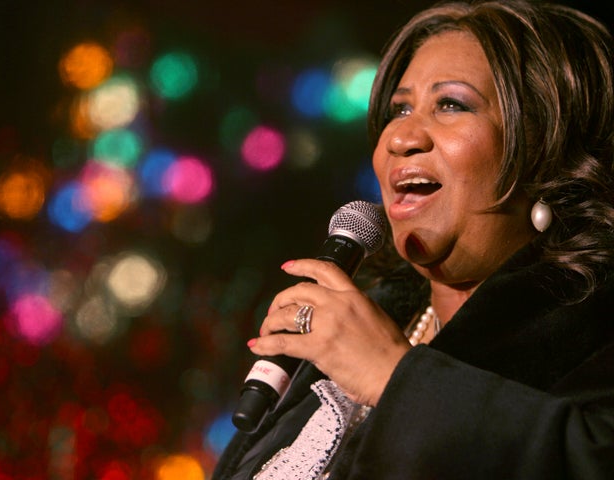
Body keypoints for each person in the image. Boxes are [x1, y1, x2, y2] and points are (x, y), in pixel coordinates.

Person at [212, 0, 614, 478]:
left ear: (550, 151)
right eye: (400, 108)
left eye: (451, 104)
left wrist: (393, 378)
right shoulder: (359, 329)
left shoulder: (594, 340)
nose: (401, 136)